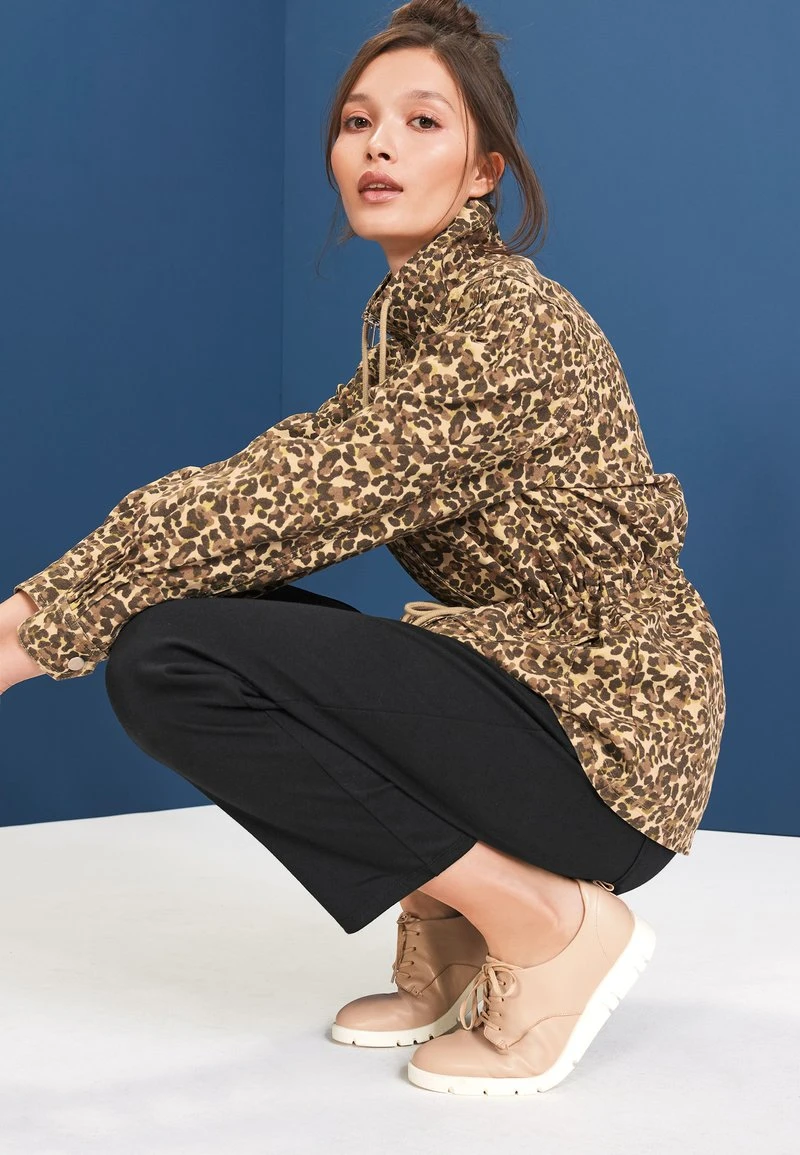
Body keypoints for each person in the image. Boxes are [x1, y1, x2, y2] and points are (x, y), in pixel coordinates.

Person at [1, 0, 725, 1097]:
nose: (378, 145)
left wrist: (26, 634)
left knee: (172, 656)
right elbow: (258, 481)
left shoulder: (504, 326)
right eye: (356, 121)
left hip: (606, 747)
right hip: (535, 700)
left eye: (421, 122)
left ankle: (547, 925)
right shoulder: (410, 335)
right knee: (190, 621)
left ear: (482, 171)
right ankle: (456, 934)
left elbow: (277, 507)